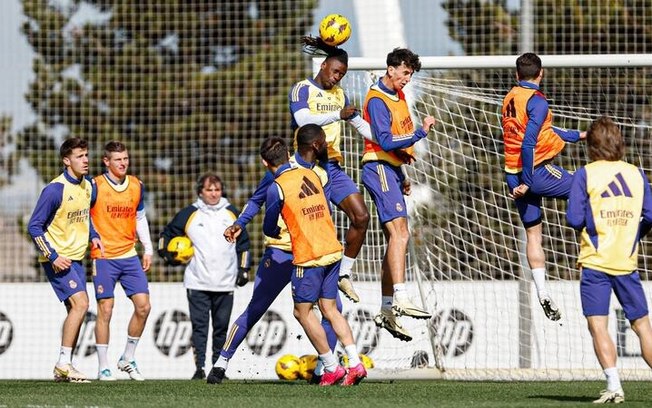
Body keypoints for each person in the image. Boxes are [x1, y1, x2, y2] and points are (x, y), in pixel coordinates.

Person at [212, 124, 342, 385]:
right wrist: (240, 223)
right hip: (280, 253)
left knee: (333, 309)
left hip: (312, 254)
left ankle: (324, 368)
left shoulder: (316, 171)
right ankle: (221, 363)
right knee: (256, 308)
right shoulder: (277, 176)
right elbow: (256, 201)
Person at [261, 135, 366, 386]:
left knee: (302, 311)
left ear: (265, 163)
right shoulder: (313, 174)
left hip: (309, 255)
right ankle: (355, 362)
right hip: (332, 249)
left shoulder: (276, 187)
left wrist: (275, 231)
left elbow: (269, 225)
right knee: (329, 309)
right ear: (288, 155)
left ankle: (331, 367)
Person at [566, 116, 652, 404]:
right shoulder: (637, 174)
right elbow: (650, 215)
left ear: (591, 146)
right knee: (643, 326)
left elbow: (574, 218)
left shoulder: (585, 174)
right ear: (619, 142)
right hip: (627, 263)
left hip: (595, 262)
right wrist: (633, 235)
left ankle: (614, 385)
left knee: (598, 325)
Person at [502, 52, 586, 321]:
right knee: (586, 185)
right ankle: (591, 250)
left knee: (533, 236)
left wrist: (579, 135)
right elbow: (529, 143)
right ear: (541, 74)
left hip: (513, 174)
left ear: (517, 75)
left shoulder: (510, 98)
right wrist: (529, 181)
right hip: (535, 171)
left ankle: (542, 291)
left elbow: (545, 131)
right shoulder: (537, 101)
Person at [288, 36, 373, 303]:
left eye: (342, 74)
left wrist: (396, 140)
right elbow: (303, 121)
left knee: (361, 217)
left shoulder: (340, 95)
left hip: (333, 167)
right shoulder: (302, 89)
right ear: (323, 65)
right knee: (315, 232)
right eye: (335, 71)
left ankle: (344, 275)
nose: (338, 77)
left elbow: (361, 127)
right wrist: (338, 115)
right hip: (307, 171)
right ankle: (306, 291)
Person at [361, 47, 435, 341]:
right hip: (377, 167)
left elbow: (396, 147)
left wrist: (403, 174)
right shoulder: (377, 100)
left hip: (391, 170)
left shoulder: (399, 95)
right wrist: (420, 132)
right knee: (401, 233)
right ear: (390, 69)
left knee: (396, 239)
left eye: (411, 74)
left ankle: (387, 309)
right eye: (405, 73)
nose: (407, 79)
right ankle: (402, 298)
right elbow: (384, 140)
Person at [159, 173, 251, 380]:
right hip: (197, 281)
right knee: (199, 328)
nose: (213, 194)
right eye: (209, 190)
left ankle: (218, 368)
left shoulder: (231, 213)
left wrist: (244, 269)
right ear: (201, 191)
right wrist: (168, 256)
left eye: (217, 190)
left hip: (226, 282)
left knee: (221, 329)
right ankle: (199, 368)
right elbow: (166, 235)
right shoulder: (190, 213)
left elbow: (244, 243)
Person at [27, 137, 103, 383]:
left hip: (77, 259)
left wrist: (94, 236)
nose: (85, 160)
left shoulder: (89, 185)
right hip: (58, 259)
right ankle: (64, 363)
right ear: (66, 161)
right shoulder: (55, 190)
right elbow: (34, 227)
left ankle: (63, 366)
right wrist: (52, 255)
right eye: (80, 156)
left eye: (86, 155)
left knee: (76, 309)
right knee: (81, 304)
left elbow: (85, 217)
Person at [90, 141, 153, 381]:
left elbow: (140, 217)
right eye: (117, 159)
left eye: (125, 158)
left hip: (129, 255)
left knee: (144, 306)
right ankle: (103, 366)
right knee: (106, 309)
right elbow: (85, 217)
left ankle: (127, 358)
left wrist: (147, 248)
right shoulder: (95, 186)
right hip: (104, 257)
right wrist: (93, 237)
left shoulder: (136, 185)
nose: (123, 163)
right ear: (106, 161)